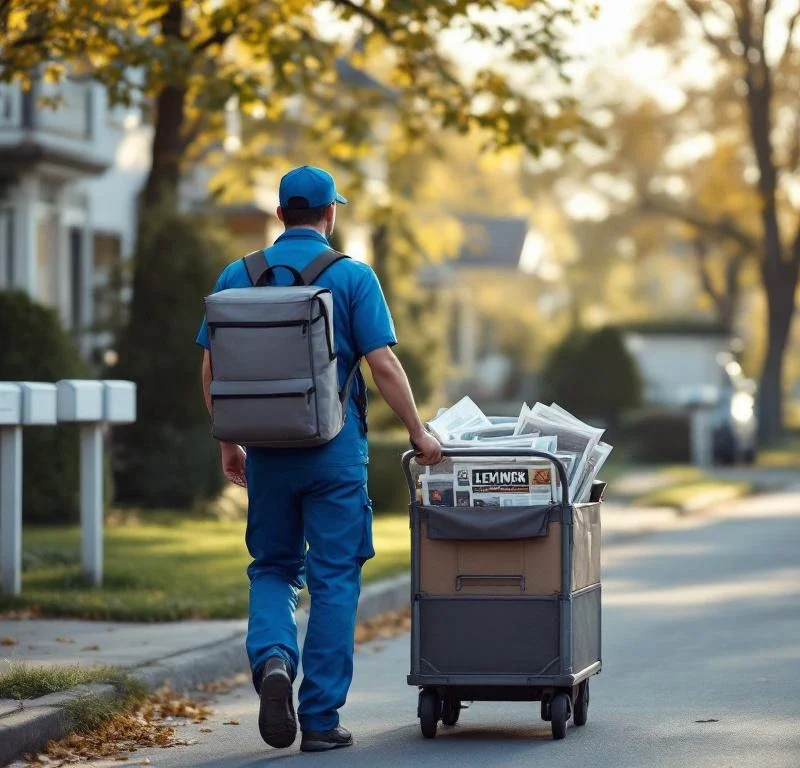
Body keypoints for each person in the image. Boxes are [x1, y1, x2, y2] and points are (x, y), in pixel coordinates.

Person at [196, 165, 442, 753]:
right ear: (331, 214)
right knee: (334, 581)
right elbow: (382, 364)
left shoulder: (238, 274)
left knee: (274, 567)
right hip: (333, 453)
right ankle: (322, 720)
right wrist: (418, 432)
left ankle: (274, 660)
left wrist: (229, 440)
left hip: (267, 453)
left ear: (281, 214)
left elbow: (212, 369)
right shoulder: (352, 276)